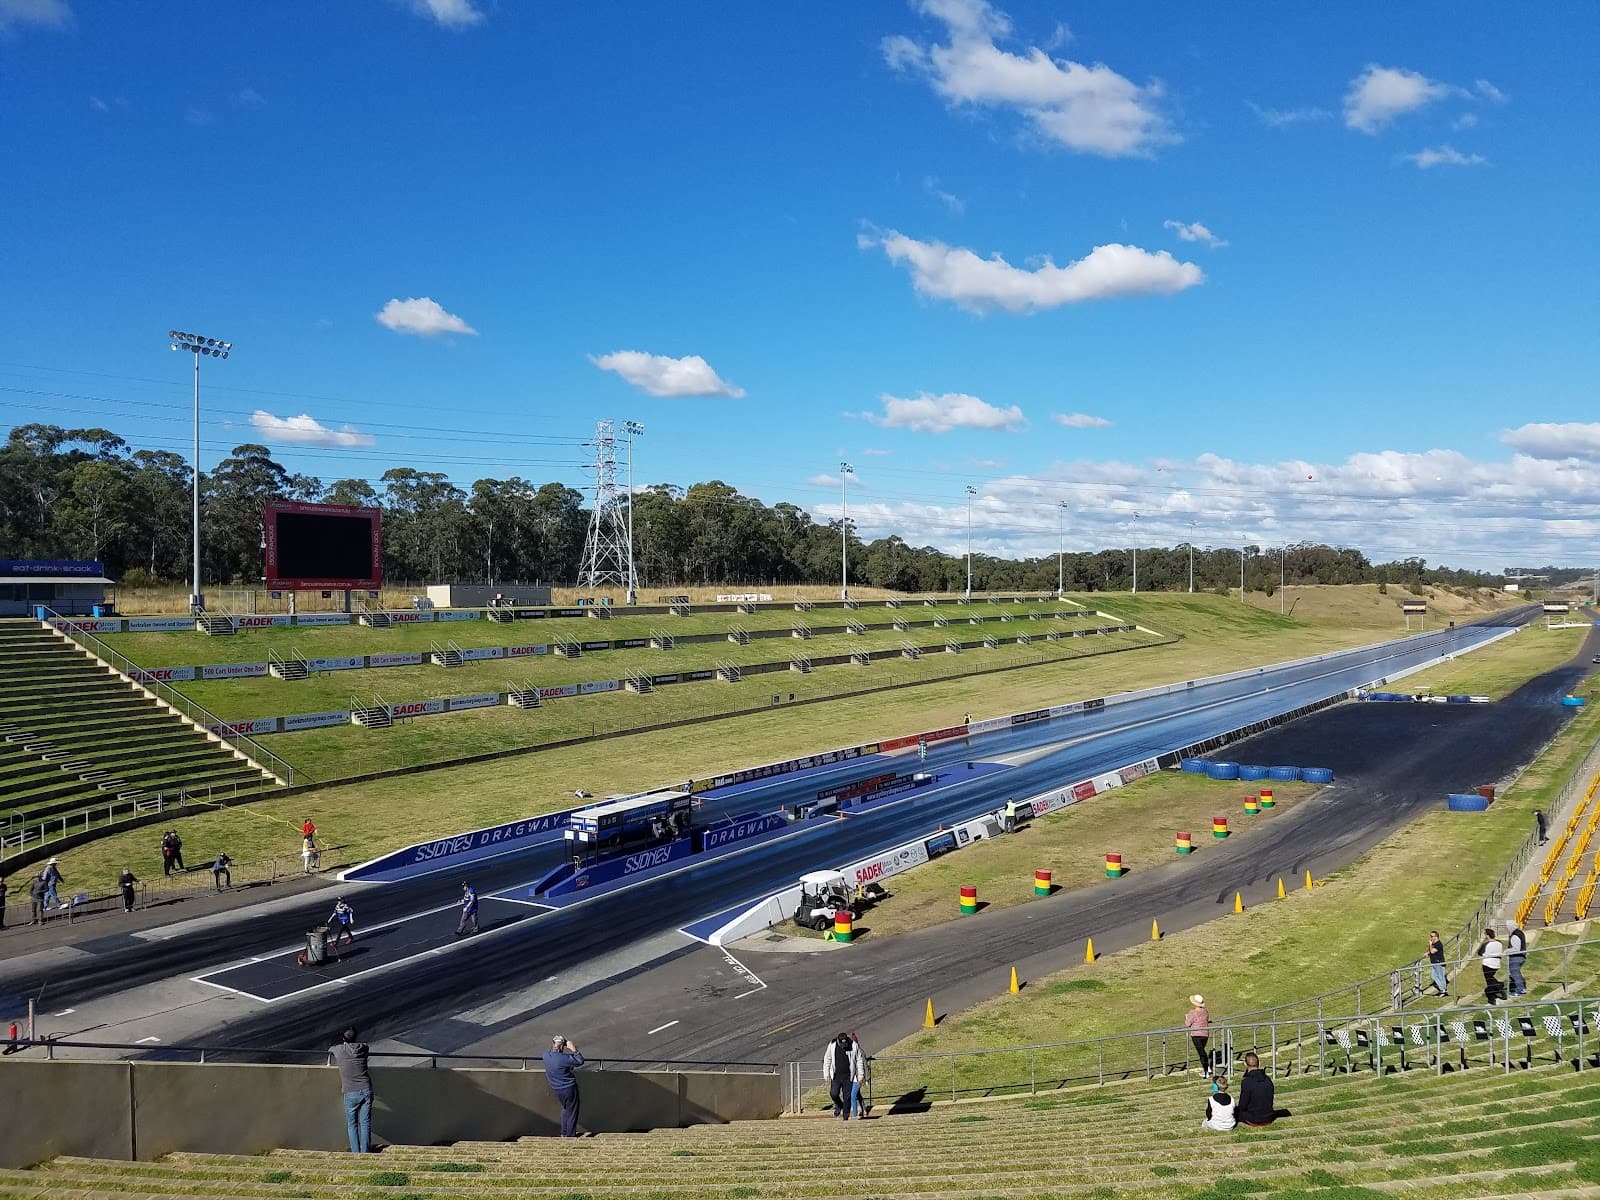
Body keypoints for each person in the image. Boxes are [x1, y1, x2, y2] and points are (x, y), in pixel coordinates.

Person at [329, 1027, 374, 1153]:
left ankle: (355, 1152)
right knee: (365, 1123)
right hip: (366, 1089)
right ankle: (365, 1152)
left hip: (351, 1091)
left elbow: (330, 1049)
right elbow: (365, 1046)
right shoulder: (363, 1047)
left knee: (352, 1124)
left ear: (344, 1039)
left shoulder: (338, 1050)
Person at [544, 1035, 585, 1138]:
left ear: (553, 1044)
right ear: (562, 1046)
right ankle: (570, 1136)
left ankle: (564, 1133)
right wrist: (573, 1049)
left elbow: (560, 1064)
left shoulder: (546, 1055)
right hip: (569, 1088)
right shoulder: (564, 1058)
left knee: (565, 1109)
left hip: (557, 1089)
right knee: (572, 1112)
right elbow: (580, 1061)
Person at [822, 1031, 861, 1120]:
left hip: (848, 1076)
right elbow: (827, 1059)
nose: (844, 1046)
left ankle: (845, 1117)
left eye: (845, 1044)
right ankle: (839, 1106)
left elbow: (859, 1059)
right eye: (842, 1044)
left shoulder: (853, 1045)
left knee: (847, 1097)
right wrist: (826, 1073)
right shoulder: (832, 1045)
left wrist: (860, 1075)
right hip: (836, 1076)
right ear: (838, 1042)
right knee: (834, 1093)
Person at [1236, 1052, 1275, 1127]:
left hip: (1254, 1119)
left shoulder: (1246, 1081)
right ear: (1258, 1063)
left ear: (1245, 1064)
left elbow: (1243, 1105)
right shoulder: (1267, 1079)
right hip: (1268, 1117)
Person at [1185, 995, 1210, 1072]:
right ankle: (1206, 1068)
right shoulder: (1205, 1011)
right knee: (1202, 1052)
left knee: (1201, 1053)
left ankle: (1206, 1070)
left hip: (1196, 1035)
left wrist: (1187, 1017)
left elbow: (1187, 1024)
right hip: (1205, 1034)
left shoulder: (1192, 1013)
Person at [1479, 927, 1505, 1004]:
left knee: (1489, 981)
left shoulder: (1486, 944)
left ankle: (1492, 997)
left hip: (1487, 964)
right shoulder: (1499, 943)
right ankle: (1498, 989)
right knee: (1491, 979)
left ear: (1487, 936)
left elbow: (1480, 953)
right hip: (1496, 964)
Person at [849, 1032, 869, 1118]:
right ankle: (864, 1109)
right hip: (853, 1078)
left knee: (853, 1096)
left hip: (859, 1078)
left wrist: (867, 1079)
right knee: (857, 1094)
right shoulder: (850, 1051)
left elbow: (865, 1065)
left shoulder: (860, 1051)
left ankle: (855, 1114)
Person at [1506, 923, 1528, 998]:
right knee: (1516, 973)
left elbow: (1516, 949)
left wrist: (1506, 951)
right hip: (1521, 956)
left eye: (1507, 927)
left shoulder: (1515, 935)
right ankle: (1522, 988)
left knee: (1515, 974)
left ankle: (1519, 990)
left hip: (1516, 957)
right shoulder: (1520, 933)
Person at [1427, 930, 1448, 996]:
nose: (1430, 938)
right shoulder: (1434, 944)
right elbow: (1430, 951)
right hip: (1435, 963)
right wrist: (1427, 953)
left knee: (1439, 976)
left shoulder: (1438, 944)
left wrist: (1430, 944)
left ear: (1436, 937)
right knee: (1434, 976)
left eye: (1432, 936)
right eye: (1430, 936)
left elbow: (1433, 951)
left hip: (1438, 962)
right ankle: (1443, 990)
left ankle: (1443, 990)